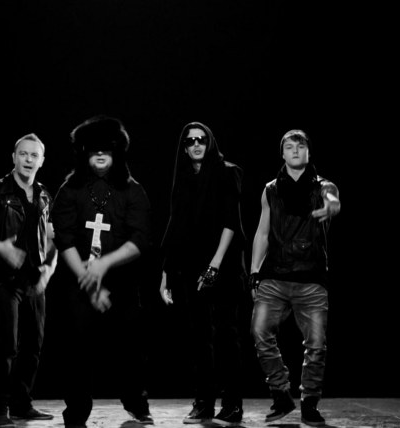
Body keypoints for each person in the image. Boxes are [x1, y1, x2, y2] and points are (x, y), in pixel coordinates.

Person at [50, 115, 153, 427]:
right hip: (78, 280)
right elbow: (64, 238)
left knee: (131, 347)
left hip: (122, 282)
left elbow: (139, 240)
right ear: (84, 151)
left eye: (105, 148)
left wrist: (104, 265)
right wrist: (89, 280)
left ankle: (136, 402)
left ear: (116, 151)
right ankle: (76, 413)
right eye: (93, 148)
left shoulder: (133, 191)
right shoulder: (69, 190)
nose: (99, 153)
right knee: (76, 348)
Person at [248, 129, 341, 427]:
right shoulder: (271, 189)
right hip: (274, 276)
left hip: (311, 278)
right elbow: (263, 231)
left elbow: (332, 198)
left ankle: (310, 403)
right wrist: (254, 272)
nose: (296, 151)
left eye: (300, 146)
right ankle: (281, 394)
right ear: (283, 153)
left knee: (316, 345)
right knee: (260, 333)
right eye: (289, 147)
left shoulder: (323, 186)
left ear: (309, 152)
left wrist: (332, 205)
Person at [159, 122, 248, 427]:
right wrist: (166, 273)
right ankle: (203, 403)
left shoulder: (227, 172)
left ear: (209, 142)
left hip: (223, 264)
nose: (196, 144)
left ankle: (232, 404)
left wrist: (215, 265)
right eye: (190, 141)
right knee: (199, 336)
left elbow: (231, 221)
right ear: (184, 148)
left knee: (226, 334)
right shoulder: (183, 178)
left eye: (201, 139)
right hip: (190, 264)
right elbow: (175, 225)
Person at [0, 133, 57, 428]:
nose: (28, 159)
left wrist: (49, 269)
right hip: (2, 277)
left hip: (34, 279)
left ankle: (21, 405)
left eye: (34, 155)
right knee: (6, 346)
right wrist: (1, 248)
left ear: (41, 161)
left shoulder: (44, 195)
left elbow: (51, 239)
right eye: (23, 154)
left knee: (33, 345)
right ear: (14, 157)